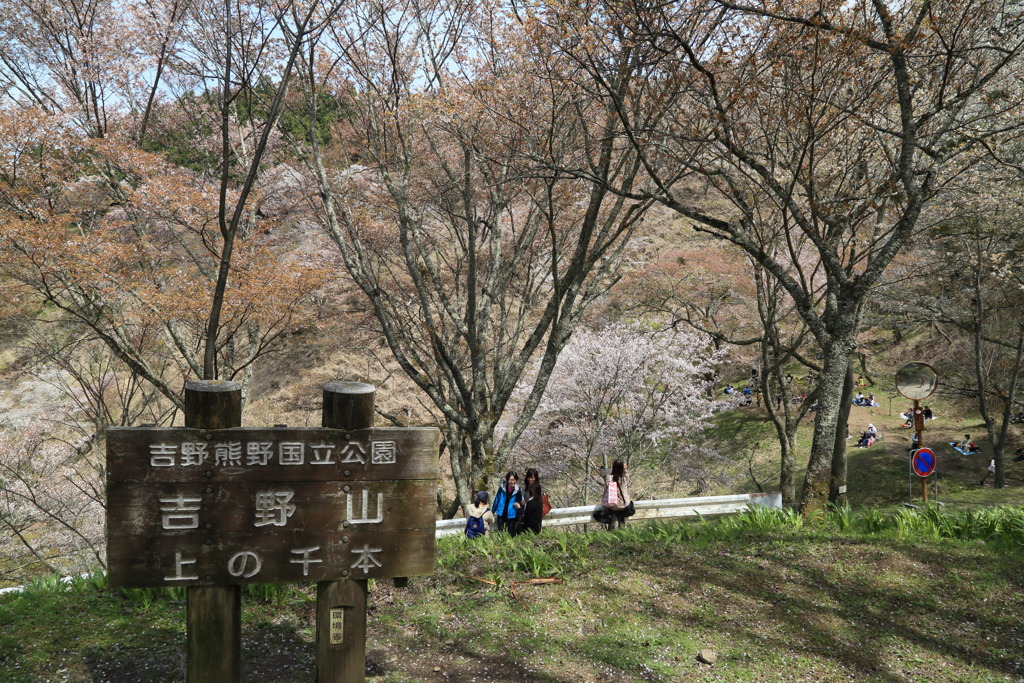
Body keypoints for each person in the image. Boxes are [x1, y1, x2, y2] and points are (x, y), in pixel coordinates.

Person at [601, 459, 632, 530]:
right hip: (623, 503)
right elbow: (627, 476)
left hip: (612, 503)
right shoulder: (624, 478)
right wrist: (625, 469)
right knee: (622, 522)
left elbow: (606, 489)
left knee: (612, 521)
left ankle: (610, 535)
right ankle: (622, 536)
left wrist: (603, 499)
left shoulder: (610, 478)